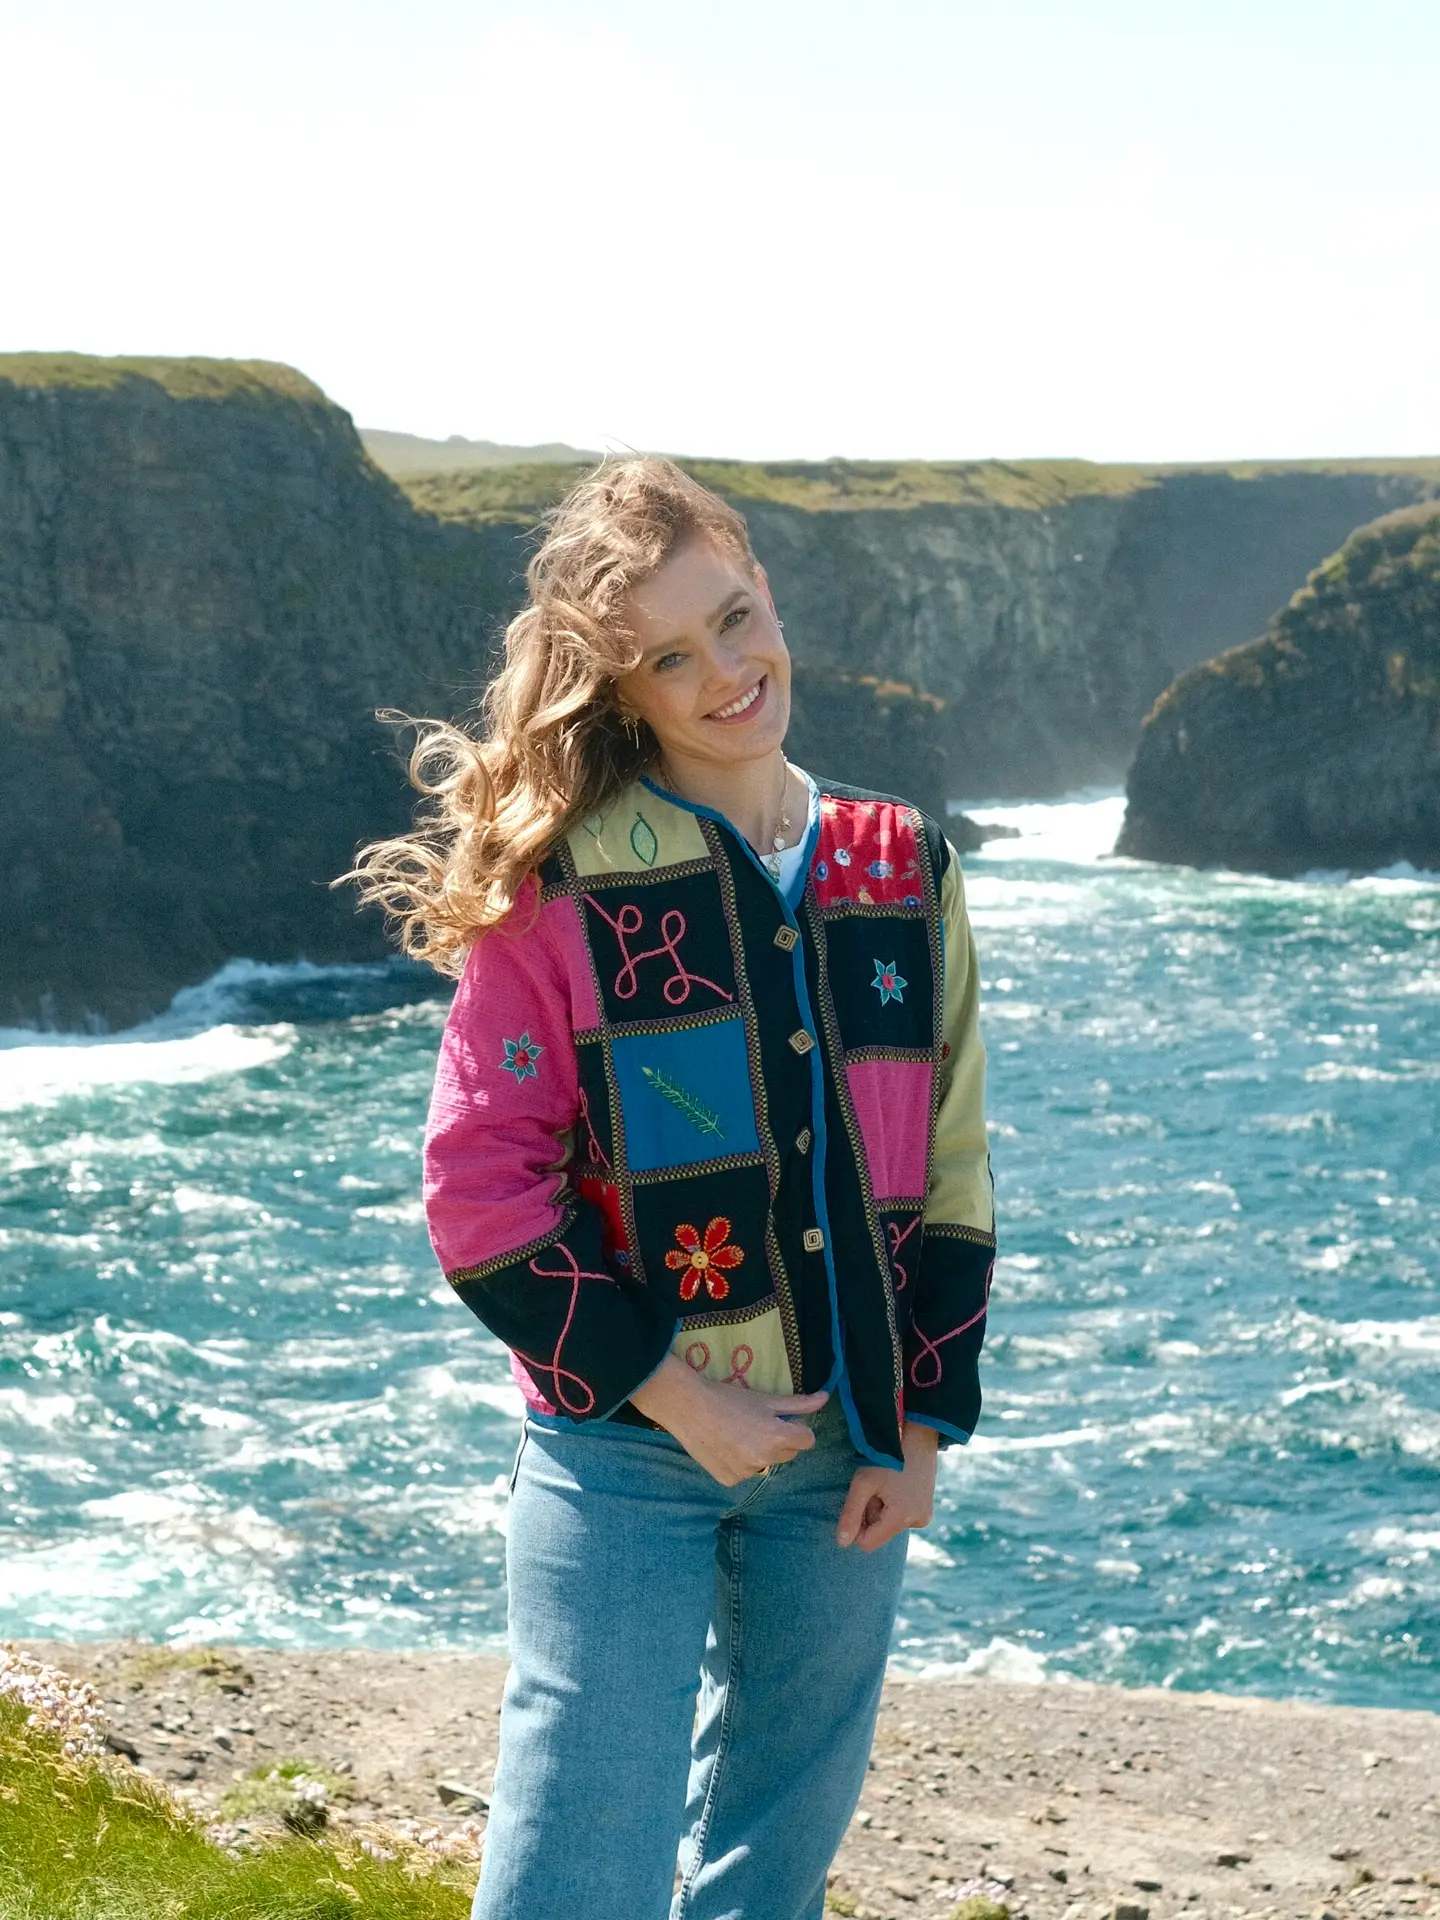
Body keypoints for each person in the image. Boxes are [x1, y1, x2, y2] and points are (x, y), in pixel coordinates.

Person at [349, 457, 995, 1920]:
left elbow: (950, 1163)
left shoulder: (906, 864)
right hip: (623, 1451)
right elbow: (480, 1196)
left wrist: (924, 1421)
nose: (726, 674)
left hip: (850, 1440)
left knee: (778, 1857)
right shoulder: (559, 892)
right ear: (622, 692)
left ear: (766, 583)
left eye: (736, 617)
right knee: (580, 1844)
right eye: (668, 658)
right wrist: (679, 1397)